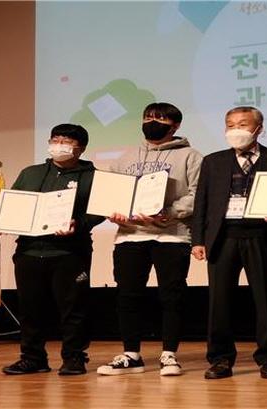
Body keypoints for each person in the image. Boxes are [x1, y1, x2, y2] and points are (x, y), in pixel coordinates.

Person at [96, 102, 202, 377]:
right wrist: (114, 212)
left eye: (160, 118)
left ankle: (169, 354)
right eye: (148, 117)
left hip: (172, 235)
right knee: (128, 295)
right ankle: (131, 354)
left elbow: (197, 194)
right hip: (129, 236)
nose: (152, 122)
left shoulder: (190, 156)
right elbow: (111, 193)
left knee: (171, 296)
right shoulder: (125, 157)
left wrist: (169, 212)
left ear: (175, 126)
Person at [191, 106, 267, 380]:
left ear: (258, 129)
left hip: (264, 236)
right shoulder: (213, 161)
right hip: (223, 237)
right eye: (230, 124)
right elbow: (201, 203)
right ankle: (220, 359)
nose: (236, 130)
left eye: (243, 124)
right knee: (219, 301)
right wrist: (198, 239)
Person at [2, 123, 105, 376]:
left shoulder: (93, 177)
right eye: (55, 140)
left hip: (69, 253)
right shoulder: (31, 173)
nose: (59, 146)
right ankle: (32, 357)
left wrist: (79, 224)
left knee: (73, 309)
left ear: (80, 148)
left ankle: (74, 357)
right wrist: (4, 221)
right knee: (30, 309)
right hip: (29, 251)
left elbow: (100, 210)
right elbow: (15, 204)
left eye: (66, 142)